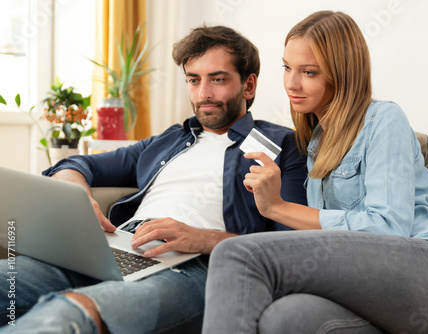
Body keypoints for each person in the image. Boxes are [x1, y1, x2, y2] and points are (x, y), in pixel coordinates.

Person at [0, 26, 307, 334]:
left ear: (249, 85)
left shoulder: (283, 145)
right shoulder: (168, 141)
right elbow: (77, 164)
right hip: (114, 250)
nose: (204, 94)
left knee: (68, 314)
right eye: (193, 80)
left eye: (217, 79)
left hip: (195, 267)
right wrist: (79, 198)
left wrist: (203, 239)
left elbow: (292, 249)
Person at [202, 11, 428, 334]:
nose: (292, 83)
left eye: (309, 72)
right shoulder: (314, 143)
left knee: (237, 254)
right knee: (285, 318)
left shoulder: (383, 119)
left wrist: (278, 208)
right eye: (287, 67)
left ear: (342, 74)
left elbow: (389, 228)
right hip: (382, 298)